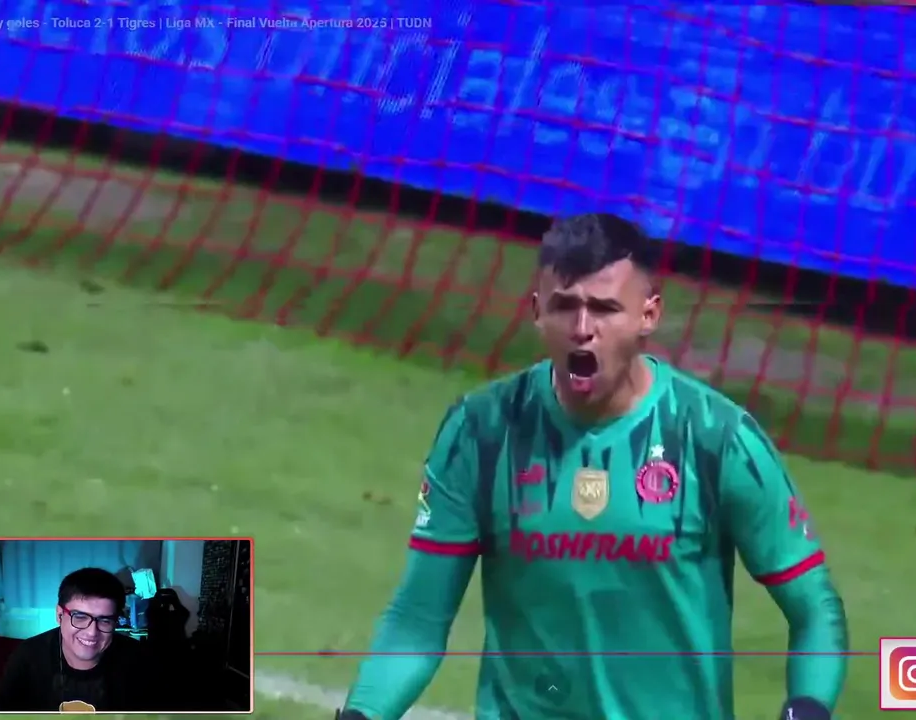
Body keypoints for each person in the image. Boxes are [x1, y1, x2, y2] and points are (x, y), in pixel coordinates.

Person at [337, 213, 849, 720]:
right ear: (537, 311)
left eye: (604, 309)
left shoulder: (717, 438)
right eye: (565, 306)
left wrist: (806, 709)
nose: (583, 330)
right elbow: (417, 620)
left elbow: (814, 608)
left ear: (648, 315)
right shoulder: (481, 432)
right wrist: (362, 714)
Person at [0, 567, 164, 712]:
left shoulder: (140, 661)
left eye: (105, 620)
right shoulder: (27, 657)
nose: (92, 632)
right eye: (80, 617)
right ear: (59, 615)